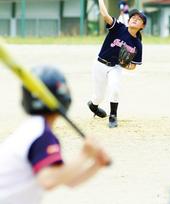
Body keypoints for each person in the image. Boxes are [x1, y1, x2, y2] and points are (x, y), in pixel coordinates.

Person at [0, 65, 111, 204]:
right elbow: (48, 181)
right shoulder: (41, 134)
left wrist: (97, 164)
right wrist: (85, 155)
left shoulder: (34, 129)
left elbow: (69, 179)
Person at [87, 0, 147, 128]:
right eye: (133, 17)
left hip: (115, 67)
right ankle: (93, 106)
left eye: (139, 19)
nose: (134, 19)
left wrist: (125, 64)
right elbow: (105, 15)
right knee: (98, 96)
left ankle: (113, 117)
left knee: (115, 88)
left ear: (142, 26)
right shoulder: (118, 27)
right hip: (100, 64)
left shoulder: (137, 44)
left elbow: (133, 66)